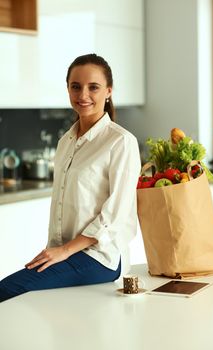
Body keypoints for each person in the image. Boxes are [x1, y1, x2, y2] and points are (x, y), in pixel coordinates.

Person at [0, 53, 141, 302]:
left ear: (108, 91)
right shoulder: (66, 141)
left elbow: (113, 217)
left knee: (7, 290)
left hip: (99, 257)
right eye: (75, 86)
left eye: (93, 87)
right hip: (65, 252)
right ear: (67, 89)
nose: (83, 95)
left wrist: (63, 252)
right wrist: (56, 251)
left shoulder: (120, 141)